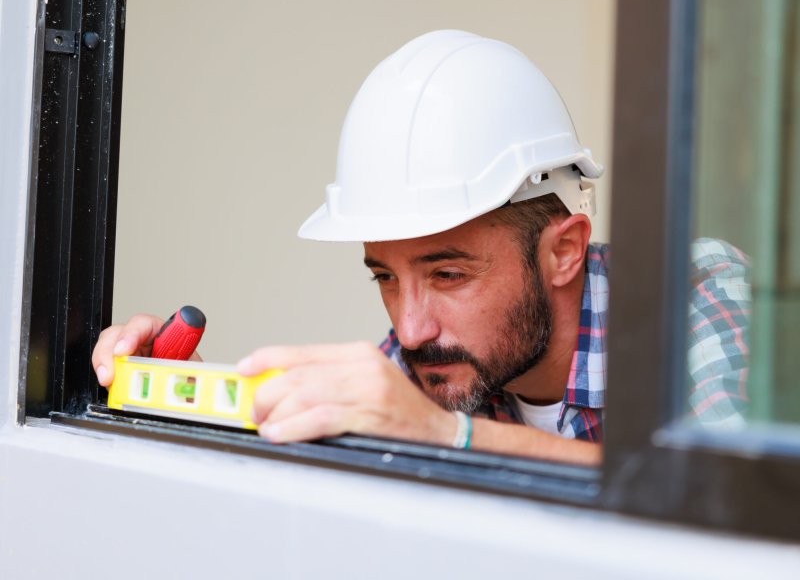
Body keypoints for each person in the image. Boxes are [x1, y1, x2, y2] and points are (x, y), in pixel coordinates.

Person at [92, 30, 749, 466]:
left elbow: (733, 493)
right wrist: (187, 397)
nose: (409, 328)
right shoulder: (431, 362)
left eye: (449, 274)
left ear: (564, 252)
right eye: (384, 276)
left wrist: (451, 436)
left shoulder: (692, 291)